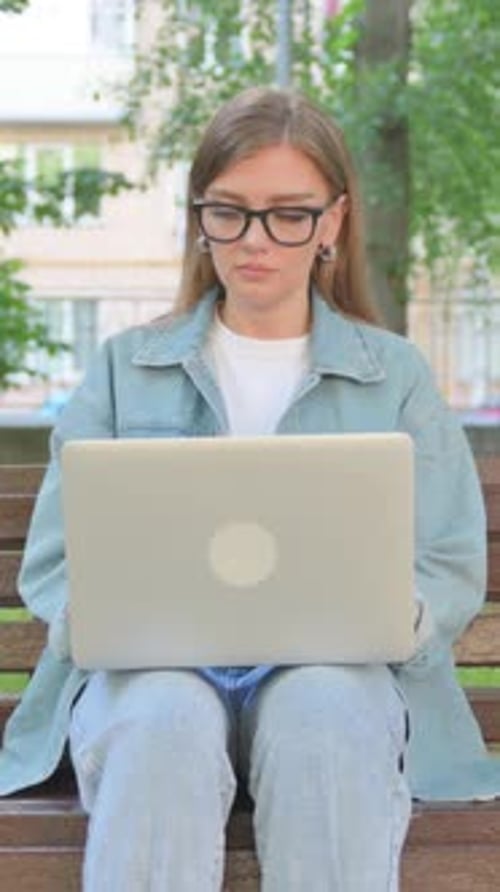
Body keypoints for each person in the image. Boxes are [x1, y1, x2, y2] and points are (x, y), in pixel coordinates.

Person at [0, 86, 499, 892]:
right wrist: (90, 617)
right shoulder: (125, 369)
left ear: (332, 222)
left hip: (335, 678)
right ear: (200, 216)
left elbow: (444, 561)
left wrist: (392, 613)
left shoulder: (394, 375)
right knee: (162, 720)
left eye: (288, 213)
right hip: (153, 679)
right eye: (229, 210)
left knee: (326, 717)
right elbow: (58, 562)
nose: (255, 239)